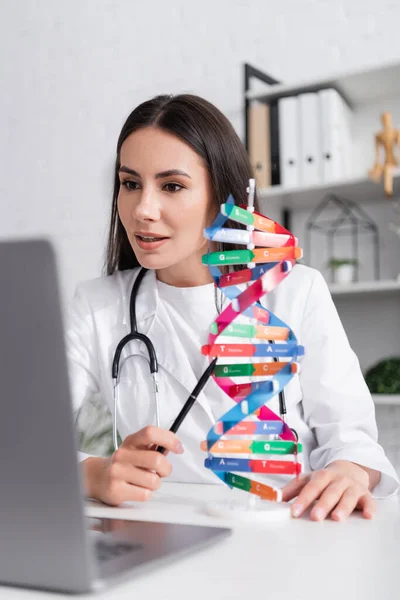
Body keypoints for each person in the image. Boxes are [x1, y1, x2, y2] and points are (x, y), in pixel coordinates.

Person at [67, 93, 399, 522]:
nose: (143, 209)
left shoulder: (296, 292)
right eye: (130, 184)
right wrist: (91, 474)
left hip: (287, 533)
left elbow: (354, 442)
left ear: (224, 198)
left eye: (172, 186)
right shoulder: (97, 306)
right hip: (161, 533)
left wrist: (348, 471)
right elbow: (22, 441)